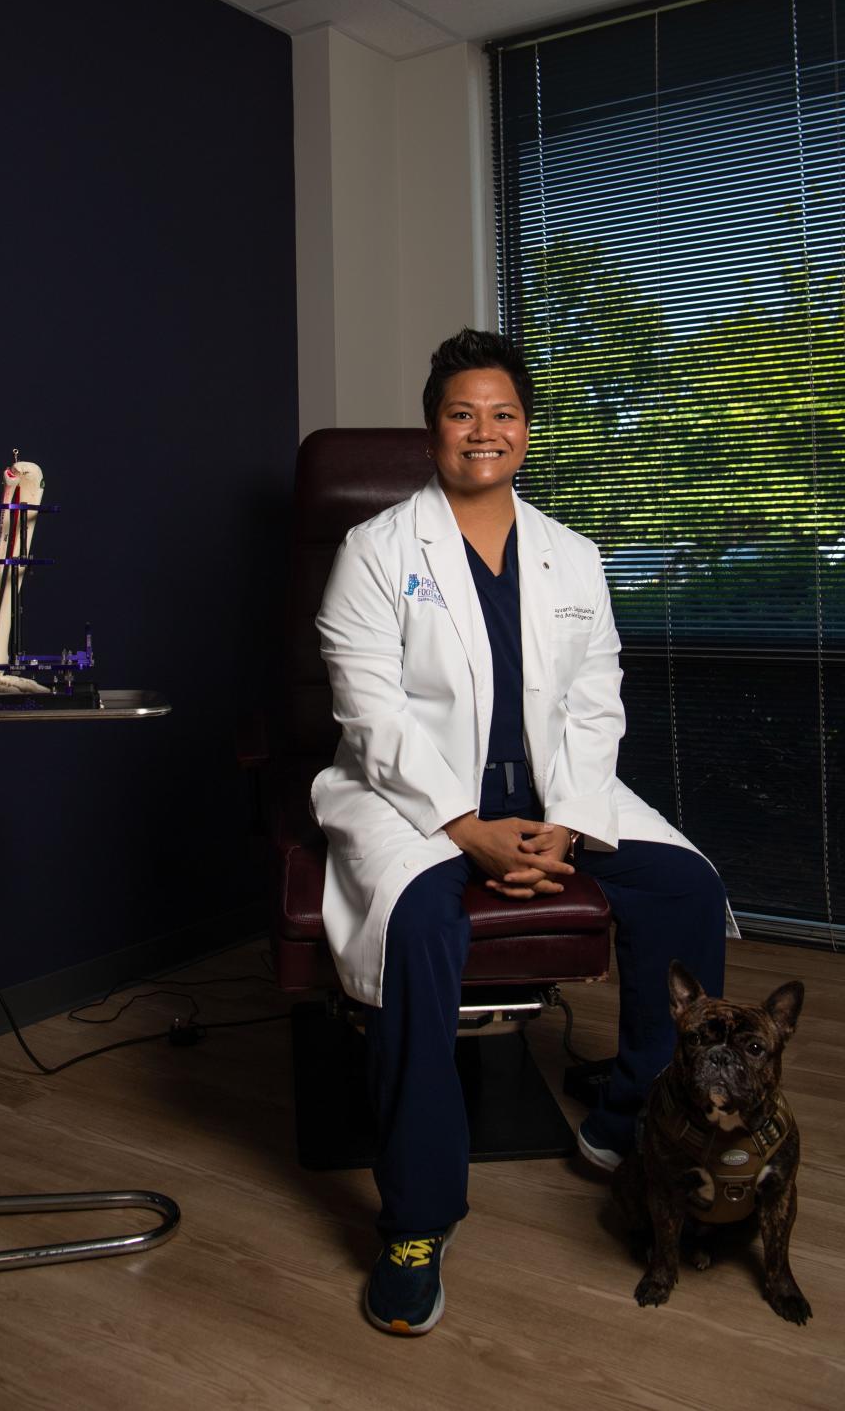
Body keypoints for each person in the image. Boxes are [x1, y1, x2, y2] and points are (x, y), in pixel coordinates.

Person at [310, 328, 727, 1336]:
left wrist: (567, 823)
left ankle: (631, 1123)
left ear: (527, 431)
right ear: (432, 433)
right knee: (419, 930)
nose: (482, 431)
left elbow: (596, 702)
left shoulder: (571, 555)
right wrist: (465, 827)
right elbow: (371, 716)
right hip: (411, 797)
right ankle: (416, 1219)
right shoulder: (374, 553)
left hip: (556, 794)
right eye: (462, 413)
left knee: (685, 889)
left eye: (502, 413)